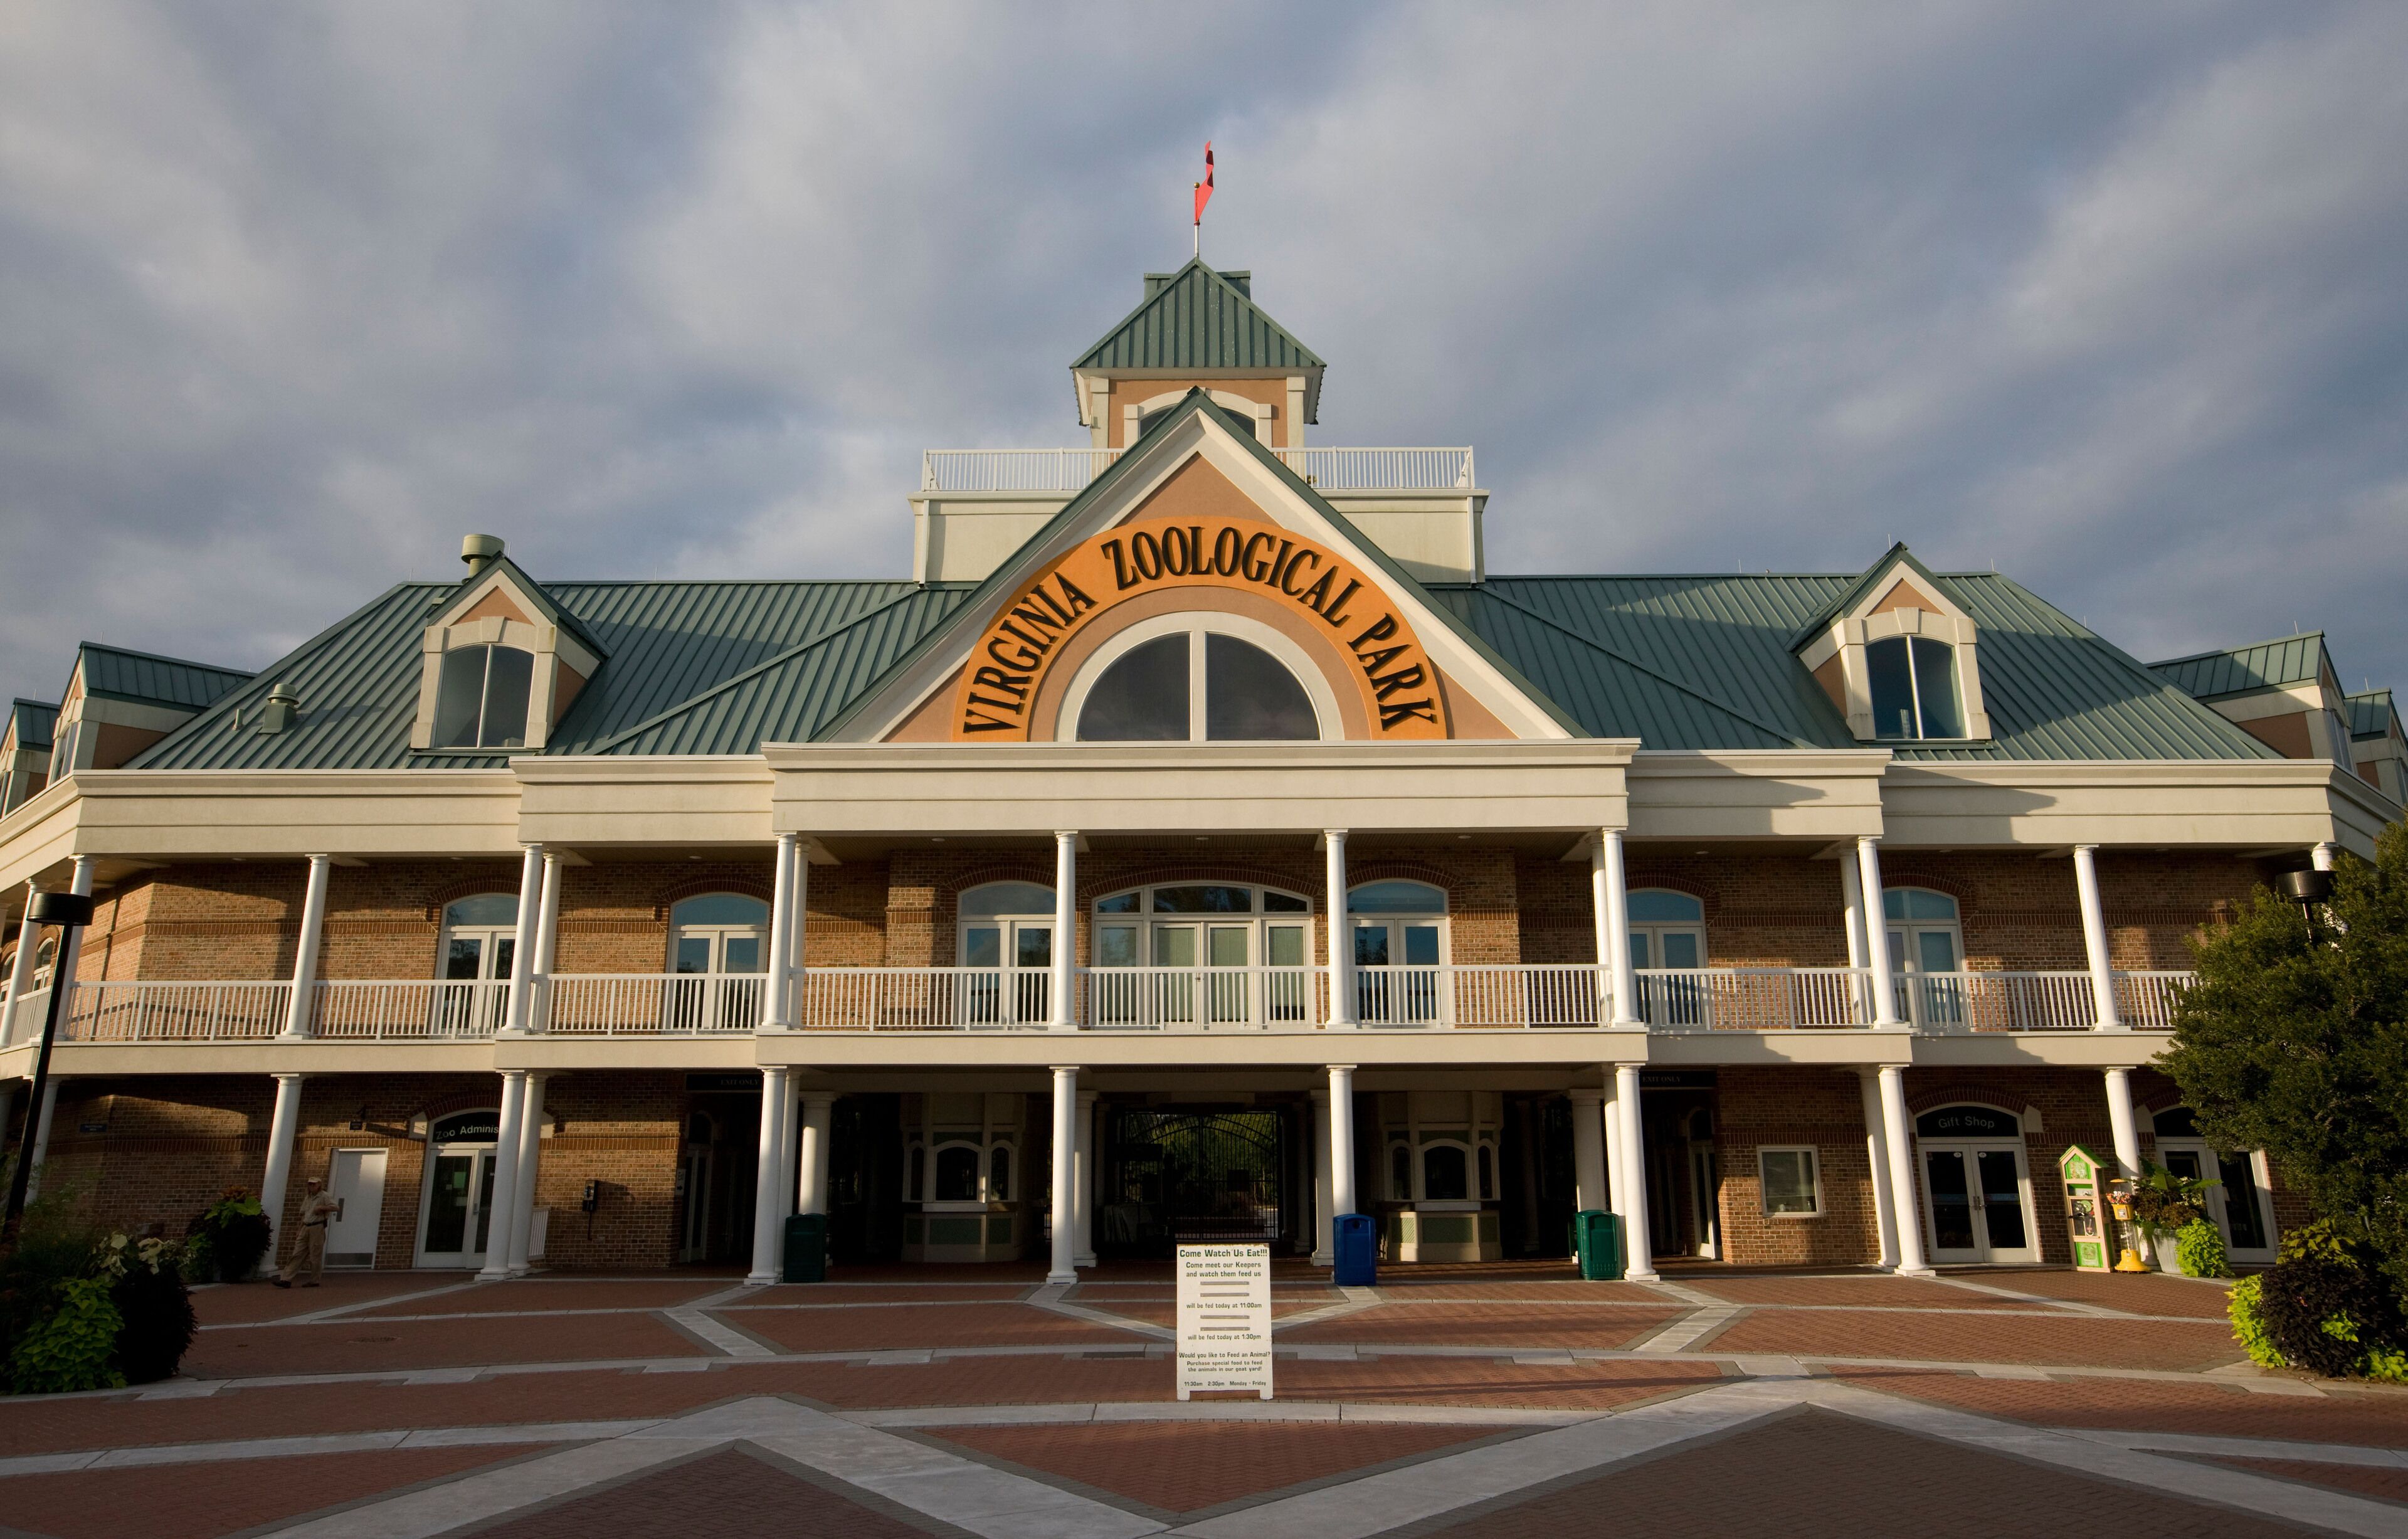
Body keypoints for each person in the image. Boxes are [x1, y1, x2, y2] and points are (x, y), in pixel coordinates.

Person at [273, 1177, 340, 1288]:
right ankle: (286, 1279)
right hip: (306, 1227)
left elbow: (336, 1207)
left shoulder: (324, 1196)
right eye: (310, 1184)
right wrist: (299, 1229)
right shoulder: (308, 1197)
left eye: (314, 1184)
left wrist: (322, 1208)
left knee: (315, 1256)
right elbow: (304, 1214)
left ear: (319, 1185)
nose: (311, 1186)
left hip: (317, 1227)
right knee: (297, 1254)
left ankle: (315, 1280)